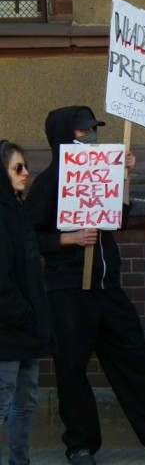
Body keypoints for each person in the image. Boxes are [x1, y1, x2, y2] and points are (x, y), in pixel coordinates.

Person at [24, 106, 145, 465]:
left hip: (107, 289)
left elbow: (120, 218)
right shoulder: (50, 181)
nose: (91, 136)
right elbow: (30, 238)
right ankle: (80, 445)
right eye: (83, 131)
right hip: (68, 291)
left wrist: (124, 175)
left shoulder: (100, 172)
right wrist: (69, 239)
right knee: (71, 369)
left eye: (93, 130)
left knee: (136, 362)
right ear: (65, 135)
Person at [0, 140, 56, 465]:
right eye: (17, 168)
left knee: (26, 401)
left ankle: (19, 461)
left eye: (26, 166)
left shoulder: (18, 209)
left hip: (27, 329)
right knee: (4, 400)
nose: (26, 173)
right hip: (9, 331)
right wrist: (26, 316)